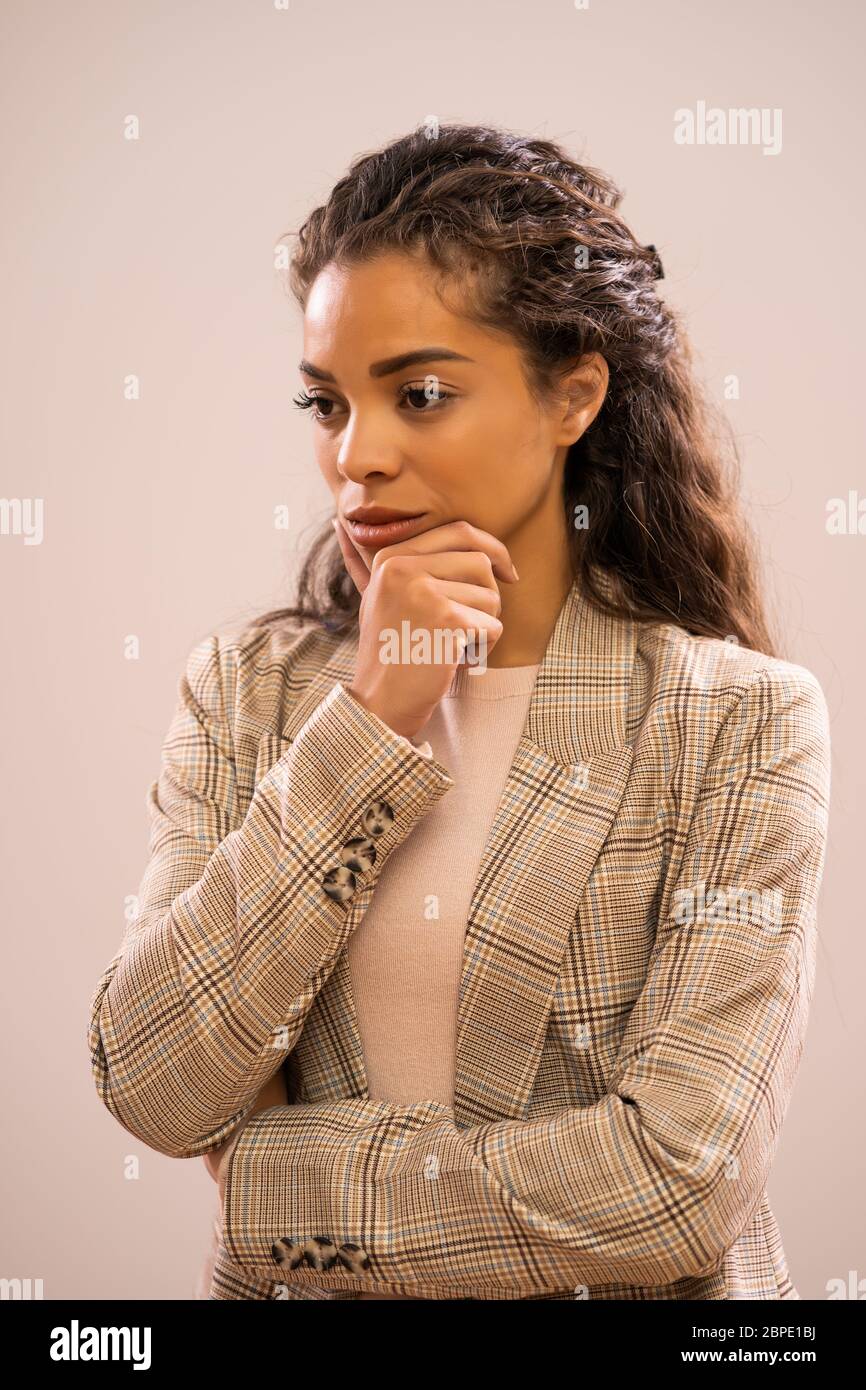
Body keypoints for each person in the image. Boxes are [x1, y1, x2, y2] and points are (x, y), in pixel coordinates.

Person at [88, 123, 831, 1301]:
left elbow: (675, 1184)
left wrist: (274, 1187)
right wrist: (375, 716)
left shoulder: (735, 722)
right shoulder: (248, 696)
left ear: (572, 394)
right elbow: (154, 1078)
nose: (356, 457)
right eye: (324, 404)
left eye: (419, 394)